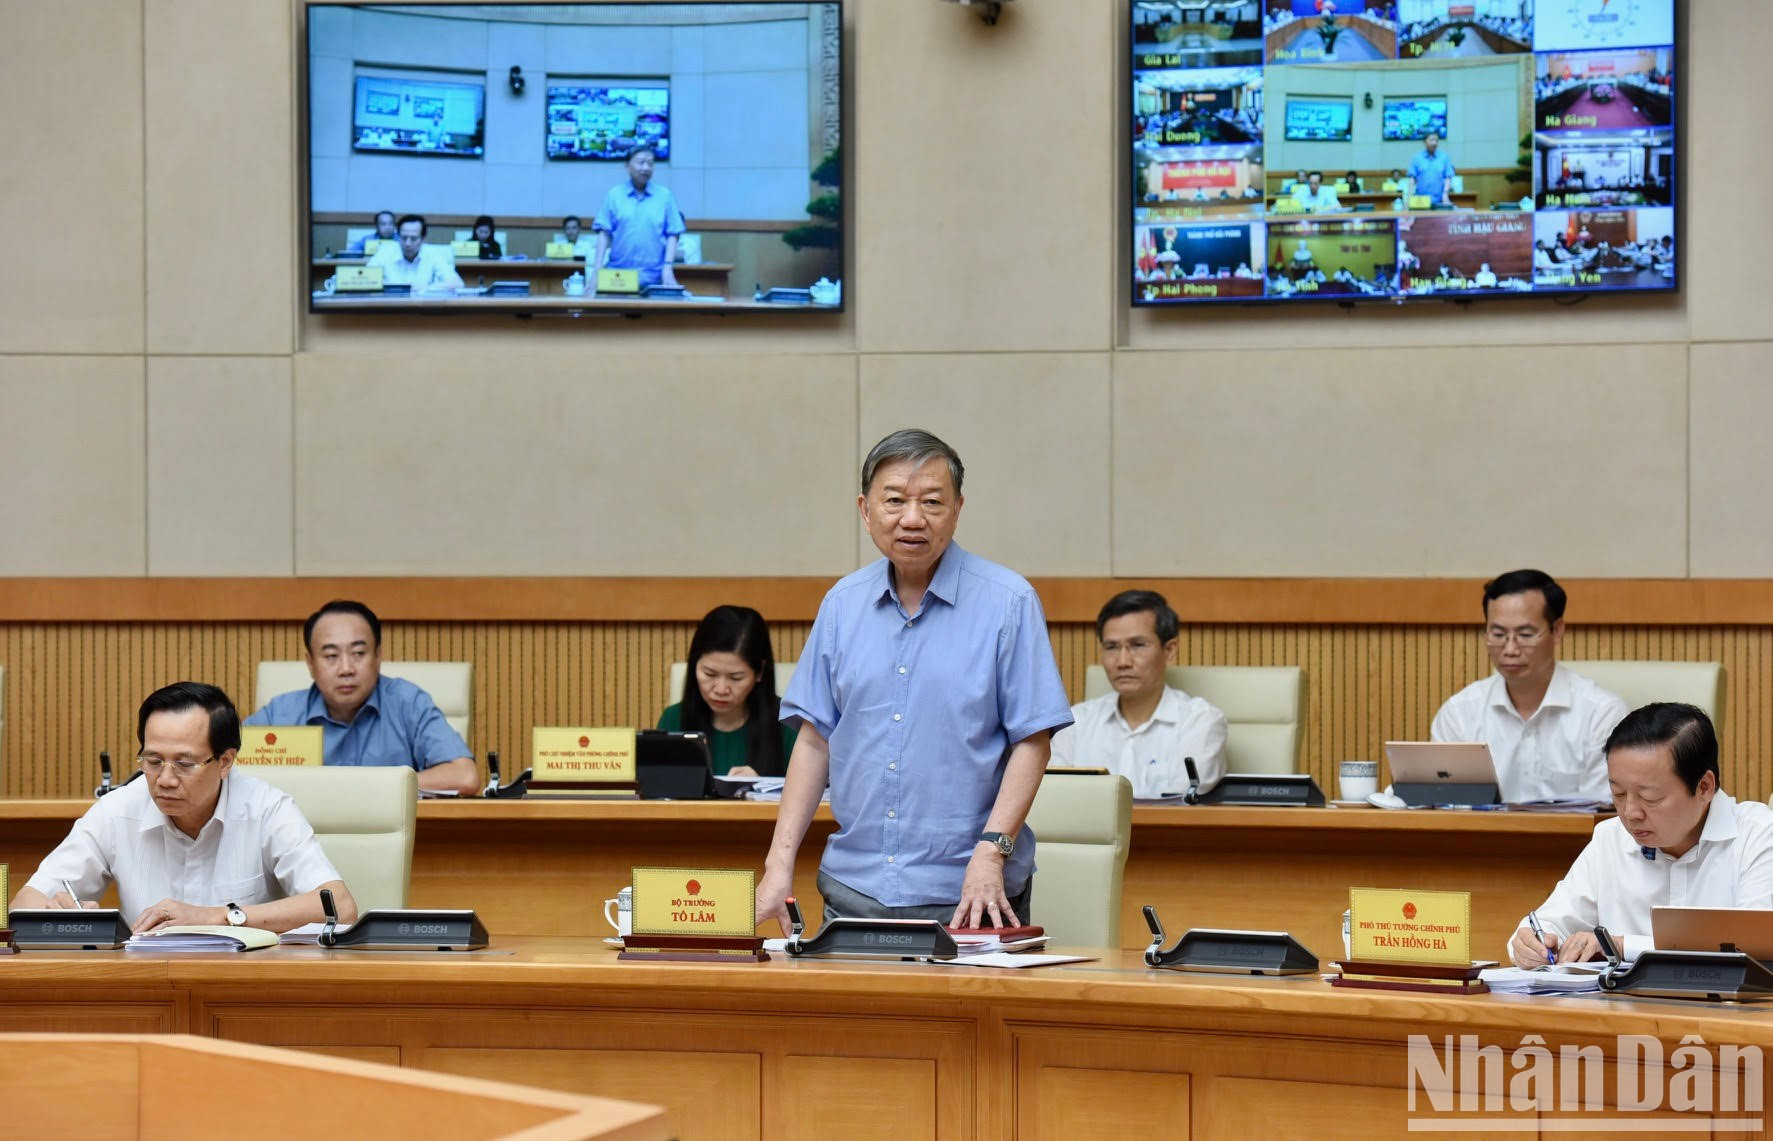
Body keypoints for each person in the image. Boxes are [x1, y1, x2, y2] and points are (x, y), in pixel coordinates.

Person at [755, 429, 1073, 931]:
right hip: (854, 890)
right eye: (895, 500)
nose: (912, 518)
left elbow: (1033, 742)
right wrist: (778, 866)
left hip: (972, 895)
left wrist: (992, 855)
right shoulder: (841, 605)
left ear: (958, 508)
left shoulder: (1008, 602)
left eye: (931, 501)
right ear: (865, 510)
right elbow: (815, 742)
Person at [12, 682, 357, 934]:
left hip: (244, 990)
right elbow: (21, 904)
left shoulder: (267, 809)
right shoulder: (117, 811)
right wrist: (56, 913)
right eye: (153, 760)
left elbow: (339, 906)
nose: (164, 779)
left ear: (225, 762)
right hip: (147, 991)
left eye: (184, 764)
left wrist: (220, 916)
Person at [1508, 704, 1773, 966]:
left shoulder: (1759, 834)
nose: (1630, 812)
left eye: (1650, 797)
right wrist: (1529, 944)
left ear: (1704, 787)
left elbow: (1757, 946)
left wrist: (1622, 946)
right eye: (1619, 794)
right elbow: (1548, 923)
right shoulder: (1610, 838)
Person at [1431, 570, 1628, 803]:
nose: (1510, 649)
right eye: (1498, 634)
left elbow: (1604, 811)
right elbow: (1444, 806)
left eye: (1525, 634)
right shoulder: (1459, 714)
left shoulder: (1601, 714)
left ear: (1557, 630)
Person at [246, 600, 480, 796]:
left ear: (378, 656)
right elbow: (226, 771)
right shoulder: (280, 713)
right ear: (310, 663)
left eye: (358, 653)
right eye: (331, 656)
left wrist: (365, 790)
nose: (346, 668)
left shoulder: (407, 703)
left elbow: (464, 775)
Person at [1049, 590, 1228, 800]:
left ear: (1169, 651)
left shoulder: (1199, 720)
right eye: (1112, 647)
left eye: (1137, 645)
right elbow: (1055, 801)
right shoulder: (1075, 723)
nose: (1123, 661)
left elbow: (1182, 808)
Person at [656, 605, 798, 777]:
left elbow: (818, 797)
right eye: (710, 674)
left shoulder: (789, 723)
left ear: (759, 672)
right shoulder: (673, 719)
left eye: (736, 677)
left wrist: (763, 790)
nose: (721, 689)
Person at [592, 145, 684, 289]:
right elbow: (604, 234)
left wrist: (668, 267)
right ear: (627, 166)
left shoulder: (664, 196)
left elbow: (673, 234)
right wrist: (597, 269)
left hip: (654, 276)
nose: (646, 168)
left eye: (650, 163)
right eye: (641, 162)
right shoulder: (614, 195)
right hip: (618, 277)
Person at [367, 214, 464, 293]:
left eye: (413, 239)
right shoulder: (385, 251)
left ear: (423, 239)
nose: (407, 243)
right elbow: (366, 279)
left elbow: (457, 283)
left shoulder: (432, 253)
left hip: (423, 308)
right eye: (404, 237)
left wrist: (426, 288)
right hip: (390, 307)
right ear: (398, 236)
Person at [1407, 131, 1455, 207]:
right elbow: (1412, 180)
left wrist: (1445, 194)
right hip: (1420, 200)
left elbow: (1448, 178)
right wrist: (1408, 198)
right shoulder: (1417, 158)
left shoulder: (1444, 157)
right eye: (1431, 140)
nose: (1434, 143)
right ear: (1424, 142)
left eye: (1436, 140)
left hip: (1439, 200)